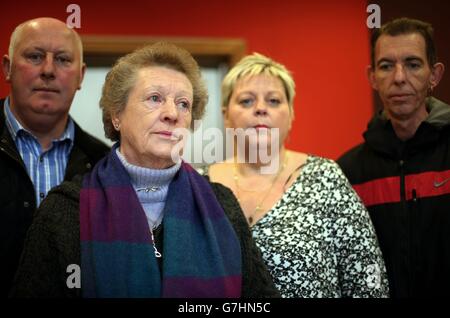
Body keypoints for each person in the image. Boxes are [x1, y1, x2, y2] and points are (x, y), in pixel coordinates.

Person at [10, 42, 279, 298]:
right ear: (117, 115)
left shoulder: (223, 204)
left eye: (183, 104)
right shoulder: (66, 209)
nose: (172, 113)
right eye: (155, 98)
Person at [200, 53, 389, 298]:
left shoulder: (325, 177)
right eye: (246, 101)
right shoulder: (199, 184)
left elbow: (368, 279)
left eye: (274, 100)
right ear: (226, 115)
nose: (260, 109)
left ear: (291, 114)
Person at [337, 17, 448, 298]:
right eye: (386, 66)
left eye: (412, 64)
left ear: (434, 74)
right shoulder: (347, 172)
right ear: (372, 77)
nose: (399, 78)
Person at [0, 17, 109, 297]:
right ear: (8, 68)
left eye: (62, 60)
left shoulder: (104, 164)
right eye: (35, 57)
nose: (48, 70)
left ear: (81, 76)